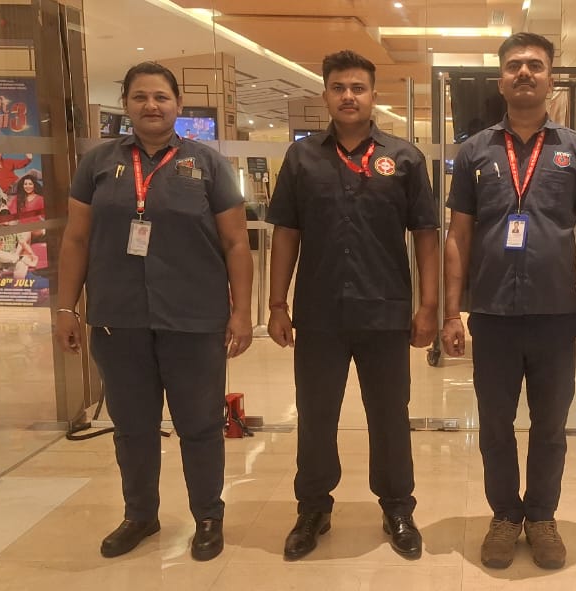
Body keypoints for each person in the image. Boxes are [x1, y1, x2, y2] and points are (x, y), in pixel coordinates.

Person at [55, 61, 253, 562]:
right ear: (125, 104)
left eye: (161, 97)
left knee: (200, 425)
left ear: (178, 105)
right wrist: (65, 307)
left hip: (194, 318)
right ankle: (140, 515)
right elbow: (76, 239)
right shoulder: (98, 164)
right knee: (132, 426)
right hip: (118, 318)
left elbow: (236, 243)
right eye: (140, 96)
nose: (151, 105)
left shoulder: (207, 165)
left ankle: (208, 516)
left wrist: (241, 311)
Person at [442, 32, 576, 571]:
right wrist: (451, 312)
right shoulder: (475, 152)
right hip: (492, 316)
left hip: (555, 317)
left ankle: (540, 517)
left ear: (550, 79)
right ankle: (503, 516)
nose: (524, 73)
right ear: (500, 81)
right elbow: (458, 236)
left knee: (550, 426)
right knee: (494, 425)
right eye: (514, 65)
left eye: (535, 65)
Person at [266, 49, 439, 561]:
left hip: (384, 312)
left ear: (373, 95)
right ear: (325, 94)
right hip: (319, 313)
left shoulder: (404, 158)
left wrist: (428, 306)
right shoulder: (302, 158)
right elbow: (286, 233)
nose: (348, 96)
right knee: (316, 415)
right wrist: (276, 304)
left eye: (358, 88)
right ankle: (313, 508)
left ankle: (398, 507)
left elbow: (426, 235)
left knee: (389, 414)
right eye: (338, 87)